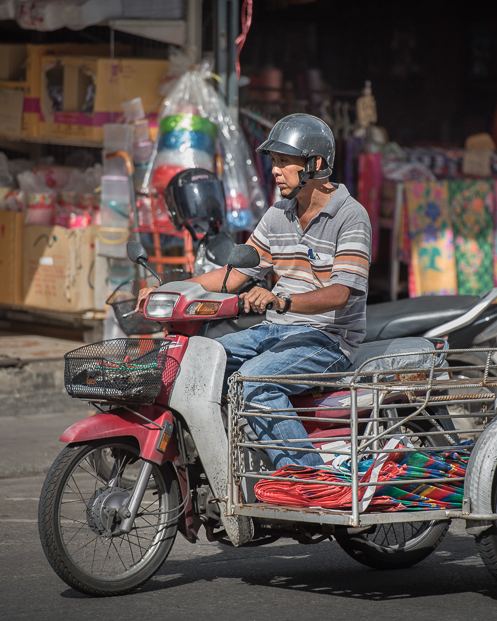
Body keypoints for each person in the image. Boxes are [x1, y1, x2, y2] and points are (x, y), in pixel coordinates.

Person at [143, 113, 372, 468]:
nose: (275, 171)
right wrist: (170, 288)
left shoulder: (351, 216)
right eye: (274, 163)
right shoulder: (278, 215)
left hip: (329, 338)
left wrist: (281, 300)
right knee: (198, 360)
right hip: (277, 330)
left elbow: (341, 293)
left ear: (315, 165)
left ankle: (304, 480)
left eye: (284, 163)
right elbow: (232, 277)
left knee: (254, 382)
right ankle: (234, 460)